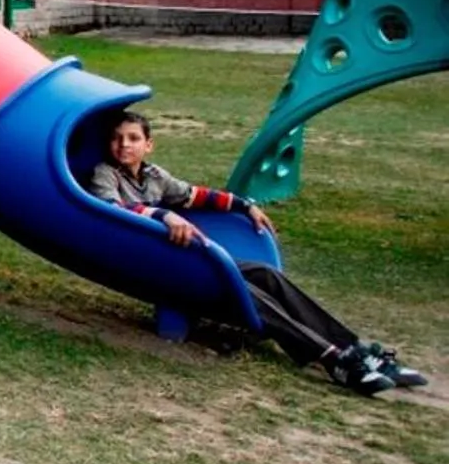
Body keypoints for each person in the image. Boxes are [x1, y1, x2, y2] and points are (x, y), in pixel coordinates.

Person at [84, 110, 425, 396]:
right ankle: (333, 359)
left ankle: (354, 349)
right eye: (117, 138)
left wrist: (246, 206)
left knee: (267, 276)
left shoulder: (155, 176)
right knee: (243, 291)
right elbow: (113, 208)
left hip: (192, 256)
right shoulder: (104, 174)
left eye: (132, 138)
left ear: (148, 144)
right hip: (156, 260)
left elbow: (197, 195)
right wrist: (163, 215)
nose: (124, 145)